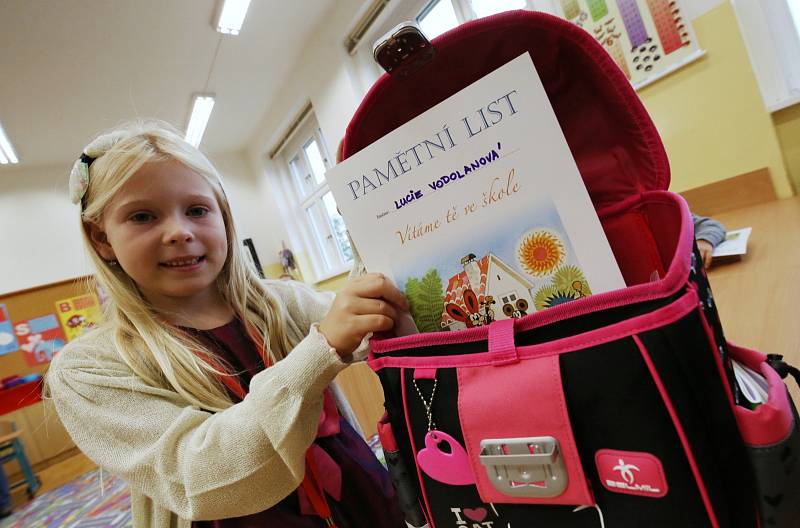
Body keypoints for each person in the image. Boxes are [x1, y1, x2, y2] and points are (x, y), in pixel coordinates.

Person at [46, 120, 407, 527]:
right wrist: (318, 352)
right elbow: (196, 474)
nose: (179, 232)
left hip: (361, 501)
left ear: (224, 218)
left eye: (197, 210)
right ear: (102, 239)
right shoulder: (89, 368)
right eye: (143, 216)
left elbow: (384, 312)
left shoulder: (280, 302)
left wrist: (371, 216)